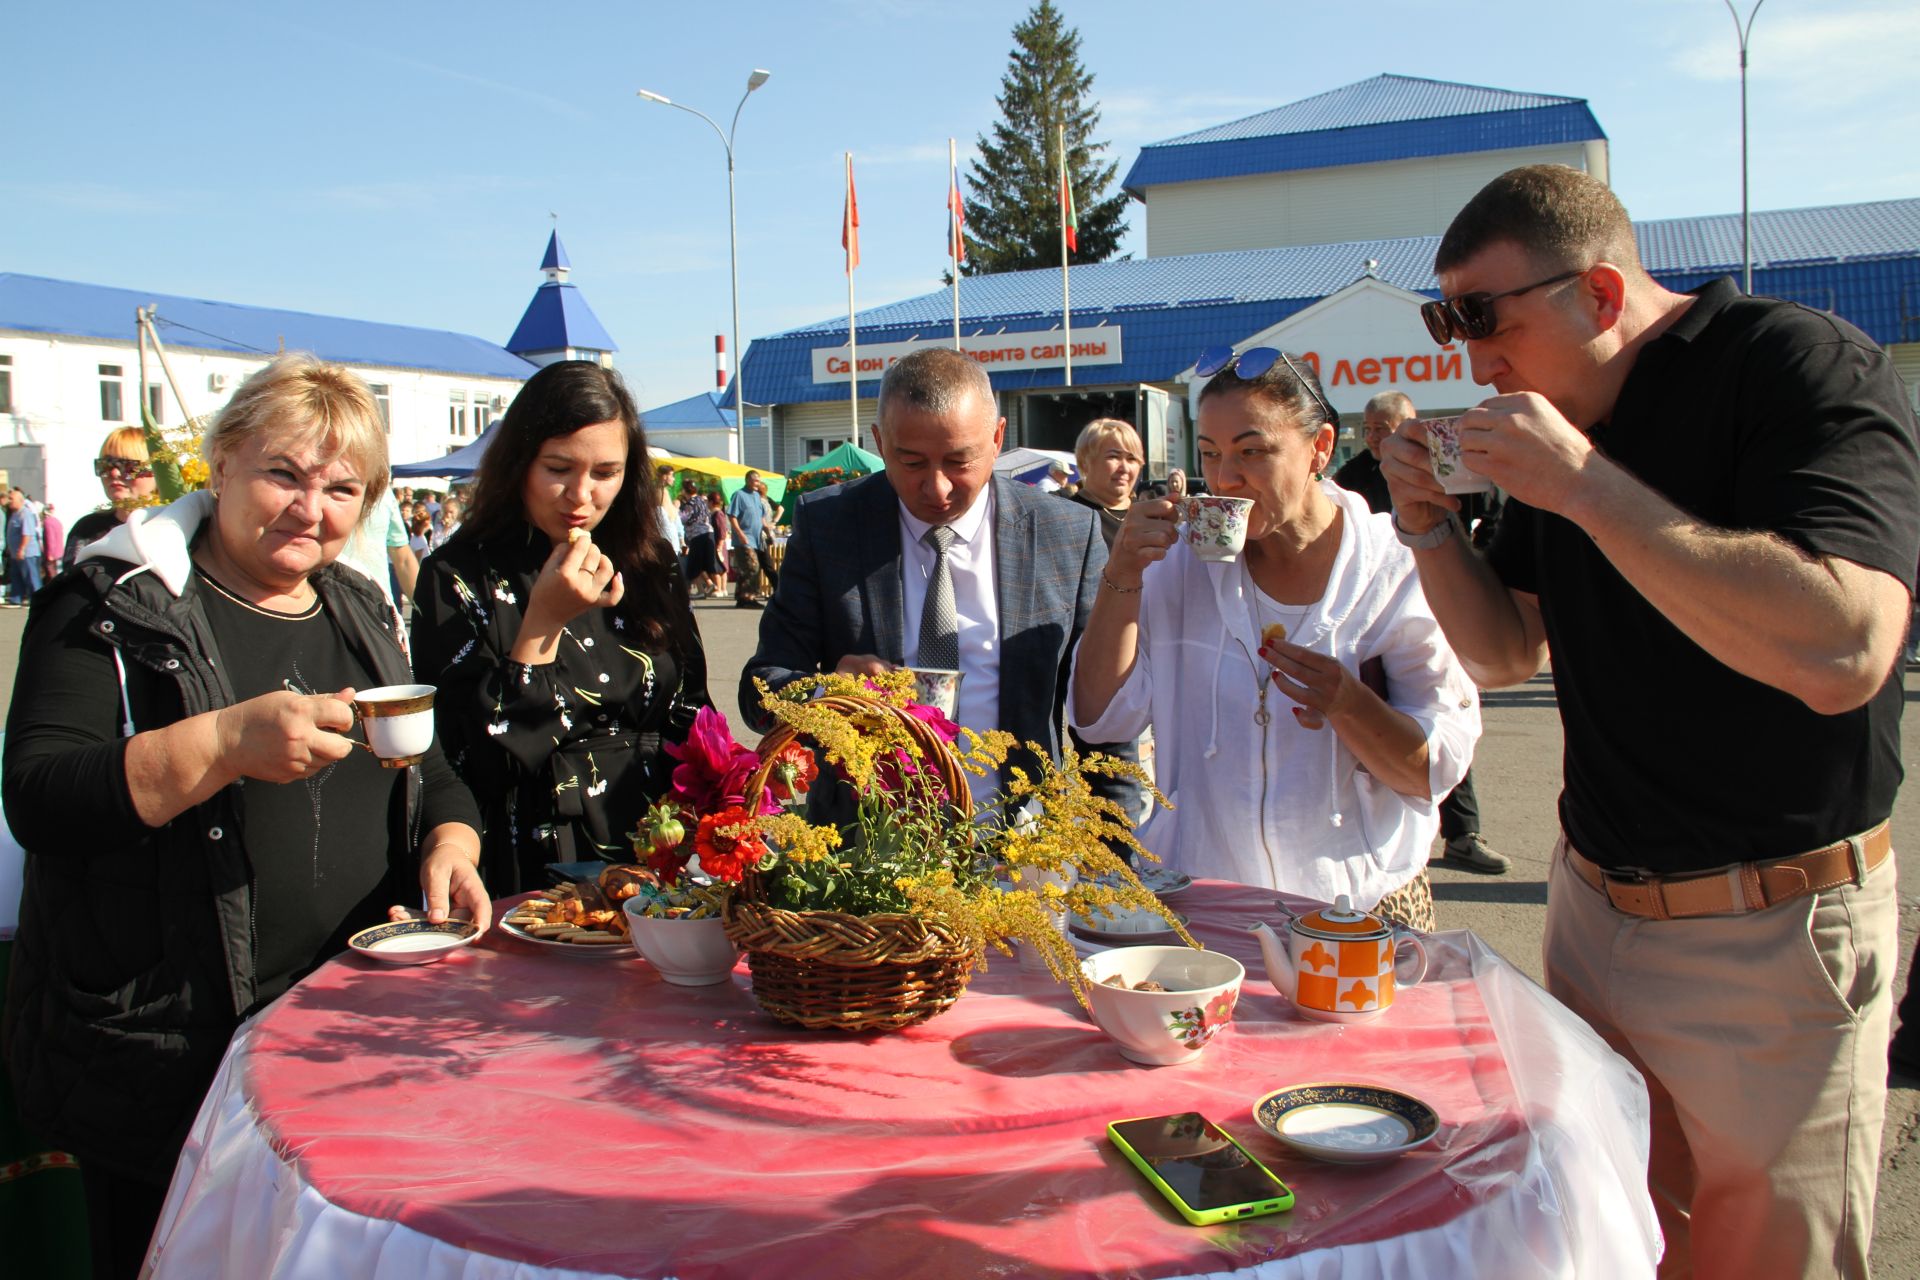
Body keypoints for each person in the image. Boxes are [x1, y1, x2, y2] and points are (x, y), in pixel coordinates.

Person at [1379, 164, 1917, 1278]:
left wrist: (1582, 486)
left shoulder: (1795, 363)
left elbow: (1848, 649)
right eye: (1450, 324)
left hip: (1769, 926)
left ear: (1604, 295)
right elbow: (1502, 651)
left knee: (1770, 1259)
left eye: (1489, 319)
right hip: (1592, 908)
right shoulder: (1565, 419)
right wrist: (1430, 527)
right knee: (1605, 1237)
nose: (1473, 360)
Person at [1, 354, 487, 1278]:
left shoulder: (355, 605)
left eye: (344, 488)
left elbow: (431, 771)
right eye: (285, 474)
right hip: (171, 1062)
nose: (313, 509)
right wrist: (221, 745)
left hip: (345, 1043)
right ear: (220, 463)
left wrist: (450, 843)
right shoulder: (107, 605)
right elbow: (40, 797)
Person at [1070, 348, 1479, 927]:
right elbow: (1099, 719)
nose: (1225, 478)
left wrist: (1349, 705)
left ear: (1321, 448)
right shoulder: (1182, 564)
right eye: (1210, 454)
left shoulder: (1395, 567)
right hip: (1205, 899)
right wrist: (1122, 576)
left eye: (1252, 451)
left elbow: (1435, 768)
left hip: (1359, 901)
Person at [741, 346, 1112, 803]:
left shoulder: (1066, 533)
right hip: (865, 849)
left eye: (959, 461)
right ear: (879, 444)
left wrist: (1117, 851)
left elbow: (1105, 719)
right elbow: (759, 692)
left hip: (1022, 846)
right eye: (912, 462)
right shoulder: (829, 526)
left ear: (997, 440)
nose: (937, 488)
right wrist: (832, 692)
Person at [412, 361, 711, 894]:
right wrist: (542, 626)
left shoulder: (649, 561)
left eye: (604, 473)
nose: (581, 495)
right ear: (519, 463)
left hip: (664, 840)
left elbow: (692, 708)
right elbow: (464, 760)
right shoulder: (457, 574)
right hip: (539, 849)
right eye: (558, 468)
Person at [1334, 390, 1510, 876]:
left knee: (1438, 714)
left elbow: (1491, 518)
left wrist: (1464, 560)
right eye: (1368, 429)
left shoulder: (1444, 465)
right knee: (1382, 724)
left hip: (1444, 596)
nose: (1374, 437)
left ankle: (1463, 833)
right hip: (1374, 611)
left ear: (1410, 425)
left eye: (1383, 428)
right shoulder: (1352, 478)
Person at [64, 429, 160, 570]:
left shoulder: (175, 525)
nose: (114, 473)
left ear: (156, 472)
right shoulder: (87, 529)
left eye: (128, 466)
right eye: (106, 465)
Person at [726, 471, 768, 609]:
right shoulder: (739, 495)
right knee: (752, 567)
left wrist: (767, 529)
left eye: (759, 481)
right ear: (748, 480)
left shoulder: (756, 496)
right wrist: (740, 534)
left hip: (755, 539)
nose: (758, 483)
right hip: (744, 538)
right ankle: (748, 597)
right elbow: (732, 516)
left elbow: (761, 516)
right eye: (755, 481)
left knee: (747, 568)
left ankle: (742, 596)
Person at [680, 481, 720, 599]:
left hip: (697, 535)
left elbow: (683, 519)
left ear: (685, 491)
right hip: (708, 533)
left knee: (693, 564)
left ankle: (701, 591)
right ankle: (709, 584)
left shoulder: (689, 504)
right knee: (701, 563)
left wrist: (677, 510)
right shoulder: (702, 501)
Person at [6, 488, 43, 605]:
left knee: (31, 578)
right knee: (16, 577)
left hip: (27, 553)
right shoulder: (14, 514)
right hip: (15, 553)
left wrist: (22, 549)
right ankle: (16, 599)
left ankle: (38, 600)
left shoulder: (25, 513)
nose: (9, 501)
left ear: (20, 500)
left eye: (11, 499)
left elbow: (27, 533)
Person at [39, 504, 63, 580]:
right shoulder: (57, 521)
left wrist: (50, 554)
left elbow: (50, 539)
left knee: (52, 576)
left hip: (52, 555)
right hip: (59, 553)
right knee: (59, 573)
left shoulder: (47, 522)